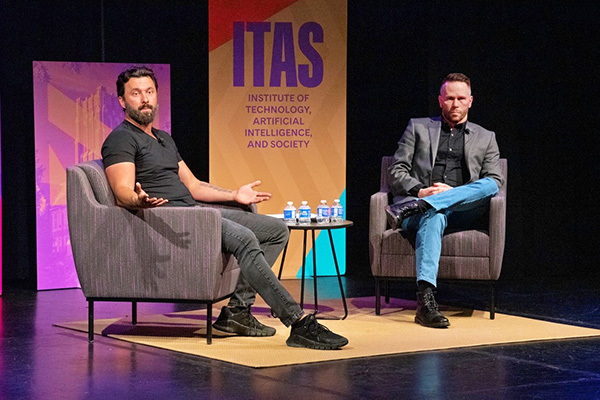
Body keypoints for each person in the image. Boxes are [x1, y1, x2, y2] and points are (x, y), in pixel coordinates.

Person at [101, 66, 348, 350]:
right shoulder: (121, 139)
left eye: (149, 92)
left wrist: (234, 194)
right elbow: (121, 192)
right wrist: (139, 200)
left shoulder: (163, 138)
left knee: (276, 230)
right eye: (135, 93)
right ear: (122, 100)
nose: (145, 99)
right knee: (245, 237)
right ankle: (298, 322)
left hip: (194, 211)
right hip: (172, 219)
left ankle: (238, 313)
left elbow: (193, 185)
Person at [386, 73, 504, 328]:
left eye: (461, 98)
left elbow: (495, 181)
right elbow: (396, 171)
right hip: (422, 207)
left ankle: (427, 206)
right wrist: (421, 191)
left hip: (463, 211)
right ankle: (426, 301)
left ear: (470, 101)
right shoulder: (417, 127)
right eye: (450, 98)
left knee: (491, 183)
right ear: (440, 100)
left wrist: (451, 194)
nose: (455, 104)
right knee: (435, 214)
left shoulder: (486, 137)